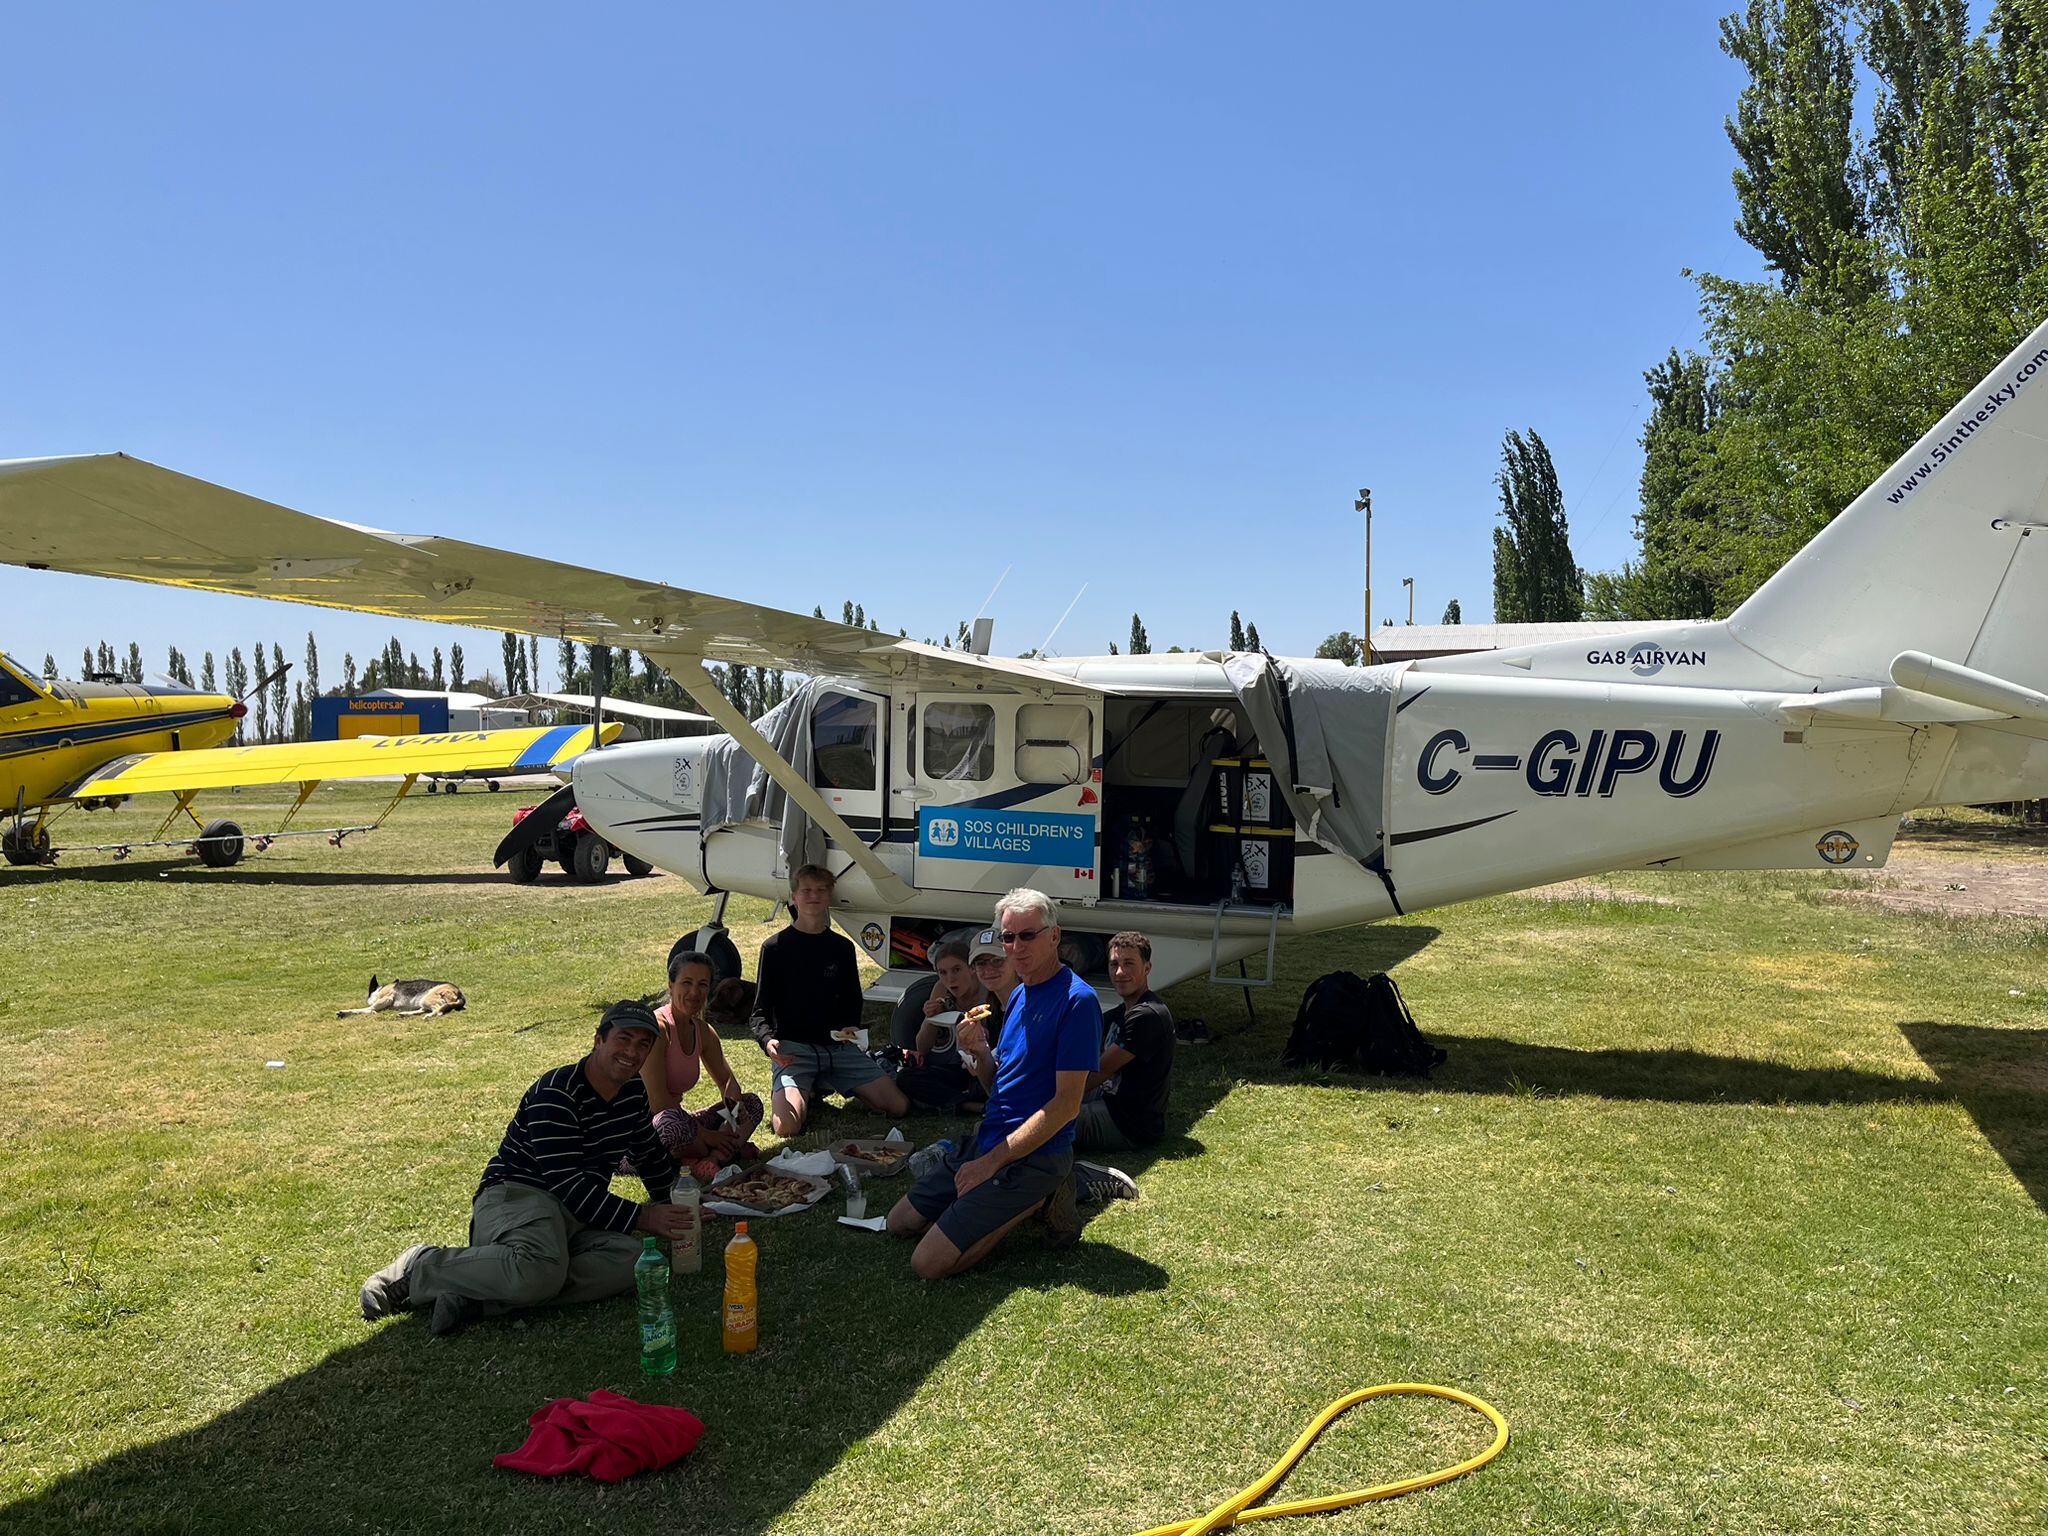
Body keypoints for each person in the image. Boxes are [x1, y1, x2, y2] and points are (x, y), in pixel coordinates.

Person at [359, 1000, 692, 1336]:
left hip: (573, 1216)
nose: (632, 1052)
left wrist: (680, 1200)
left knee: (636, 1263)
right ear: (599, 1040)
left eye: (643, 1044)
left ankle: (478, 1295)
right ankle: (422, 1266)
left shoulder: (633, 1093)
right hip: (517, 1197)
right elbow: (567, 1184)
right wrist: (646, 1217)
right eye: (624, 1039)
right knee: (539, 1269)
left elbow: (649, 1154)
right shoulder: (556, 1093)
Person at [886, 889, 1099, 1279]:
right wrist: (983, 1053)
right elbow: (997, 1087)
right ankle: (1018, 1197)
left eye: (1028, 935)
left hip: (1035, 1155)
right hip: (988, 1139)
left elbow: (1067, 1105)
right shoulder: (1018, 995)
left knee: (927, 1264)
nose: (1016, 947)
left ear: (1055, 936)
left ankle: (1034, 1201)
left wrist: (991, 1163)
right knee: (897, 1223)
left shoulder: (1077, 1002)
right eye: (1008, 937)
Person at [749, 863, 909, 1135]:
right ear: (794, 897)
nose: (814, 895)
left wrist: (851, 1026)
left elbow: (852, 1000)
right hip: (795, 1051)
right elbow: (759, 1010)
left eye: (821, 890)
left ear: (829, 896)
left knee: (898, 1107)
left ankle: (822, 1084)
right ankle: (805, 1087)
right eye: (807, 890)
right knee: (786, 1128)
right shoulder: (775, 947)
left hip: (838, 1048)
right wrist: (768, 1041)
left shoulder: (842, 947)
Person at [1071, 930, 1175, 1203]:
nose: (1119, 972)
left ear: (1147, 968)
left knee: (1048, 1122)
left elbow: (1098, 1072)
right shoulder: (1121, 1012)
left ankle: (1082, 1177)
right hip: (1109, 1100)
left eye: (1129, 964)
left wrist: (1053, 1101)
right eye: (1114, 964)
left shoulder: (1147, 1015)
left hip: (1128, 1123)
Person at [644, 948, 764, 1180]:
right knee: (671, 1122)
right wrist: (708, 1136)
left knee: (752, 1104)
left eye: (702, 985)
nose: (694, 993)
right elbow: (658, 1103)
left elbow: (728, 1082)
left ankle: (711, 1159)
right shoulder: (657, 1029)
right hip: (646, 1131)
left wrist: (736, 1110)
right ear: (671, 985)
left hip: (685, 1125)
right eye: (686, 983)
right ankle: (720, 1151)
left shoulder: (703, 1031)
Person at [892, 937, 995, 1113]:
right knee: (906, 1077)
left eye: (956, 970)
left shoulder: (988, 989)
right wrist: (931, 1018)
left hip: (987, 1064)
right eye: (943, 972)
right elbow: (922, 1048)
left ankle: (966, 1100)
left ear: (971, 968)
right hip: (958, 1068)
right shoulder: (941, 989)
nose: (950, 978)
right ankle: (969, 1106)